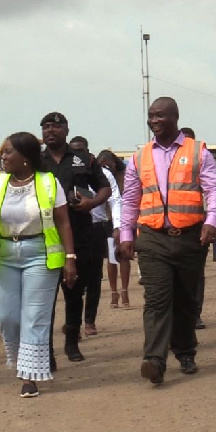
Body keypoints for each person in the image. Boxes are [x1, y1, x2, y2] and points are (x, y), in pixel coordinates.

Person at [119, 97, 216, 385]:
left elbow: (213, 189)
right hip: (152, 238)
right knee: (156, 300)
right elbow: (130, 199)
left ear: (175, 117)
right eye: (151, 116)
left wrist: (212, 221)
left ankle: (186, 351)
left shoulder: (198, 151)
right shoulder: (139, 157)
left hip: (191, 237)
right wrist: (126, 234)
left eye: (160, 116)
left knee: (186, 299)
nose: (153, 121)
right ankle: (154, 359)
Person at [0, 132, 76, 397]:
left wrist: (70, 259)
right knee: (6, 315)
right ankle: (22, 360)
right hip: (4, 256)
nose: (3, 157)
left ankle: (29, 376)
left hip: (40, 255)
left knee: (34, 316)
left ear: (25, 157)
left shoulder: (49, 182)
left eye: (7, 152)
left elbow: (63, 222)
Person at [40, 112, 111, 367]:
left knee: (73, 291)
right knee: (44, 296)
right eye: (47, 127)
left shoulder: (84, 159)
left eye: (56, 127)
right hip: (44, 236)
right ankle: (45, 350)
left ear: (66, 130)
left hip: (79, 233)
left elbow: (105, 187)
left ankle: (72, 342)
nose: (51, 131)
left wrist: (92, 202)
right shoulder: (36, 160)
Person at [68, 139, 121, 336]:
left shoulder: (103, 174)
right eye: (72, 152)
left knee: (94, 277)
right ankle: (72, 322)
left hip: (96, 229)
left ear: (88, 153)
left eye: (80, 152)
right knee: (73, 278)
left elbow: (115, 199)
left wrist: (117, 226)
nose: (77, 156)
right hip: (70, 230)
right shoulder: (65, 173)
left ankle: (89, 320)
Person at [180, 127, 216, 330]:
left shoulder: (201, 157)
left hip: (199, 224)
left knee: (196, 274)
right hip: (169, 227)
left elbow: (213, 189)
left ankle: (195, 314)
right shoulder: (171, 164)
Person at [98, 150, 131, 308]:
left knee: (124, 255)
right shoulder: (99, 177)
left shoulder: (123, 176)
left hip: (124, 221)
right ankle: (113, 292)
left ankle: (124, 291)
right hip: (108, 221)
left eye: (107, 164)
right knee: (111, 258)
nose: (105, 167)